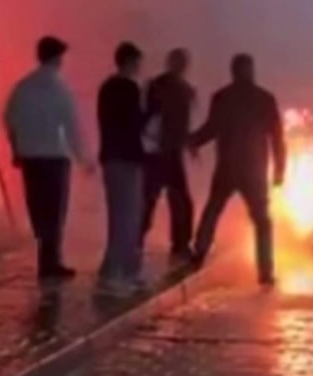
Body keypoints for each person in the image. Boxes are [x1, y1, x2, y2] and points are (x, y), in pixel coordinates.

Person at [189, 53, 286, 287]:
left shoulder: (222, 97)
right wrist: (279, 170)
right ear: (251, 70)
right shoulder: (264, 99)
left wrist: (192, 140)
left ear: (232, 71)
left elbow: (211, 128)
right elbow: (276, 138)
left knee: (214, 209)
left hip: (228, 167)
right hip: (254, 169)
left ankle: (199, 253)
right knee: (261, 221)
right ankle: (265, 272)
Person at [4, 36, 95, 281]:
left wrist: (16, 150)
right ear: (57, 58)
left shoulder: (22, 88)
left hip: (31, 159)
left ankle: (46, 258)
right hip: (55, 157)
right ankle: (50, 262)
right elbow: (72, 128)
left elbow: (10, 121)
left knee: (38, 208)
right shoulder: (60, 89)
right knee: (55, 211)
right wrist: (84, 158)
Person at [97, 42, 147, 293]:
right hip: (127, 158)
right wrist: (151, 108)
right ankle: (118, 272)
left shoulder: (106, 87)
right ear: (129, 62)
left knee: (120, 214)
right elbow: (136, 123)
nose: (139, 67)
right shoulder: (129, 88)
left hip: (111, 156)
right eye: (137, 62)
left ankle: (122, 268)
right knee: (127, 216)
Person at [141, 48, 197, 261]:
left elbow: (181, 123)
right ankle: (178, 244)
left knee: (163, 199)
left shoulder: (175, 87)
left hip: (167, 151)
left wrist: (188, 143)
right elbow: (149, 117)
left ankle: (177, 243)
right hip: (160, 151)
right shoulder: (162, 87)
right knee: (157, 198)